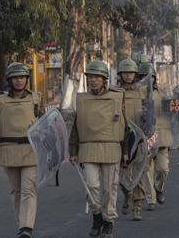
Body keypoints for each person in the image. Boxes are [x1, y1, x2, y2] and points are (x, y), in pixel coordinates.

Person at [0, 63, 45, 238]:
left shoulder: (36, 98)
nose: (19, 81)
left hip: (30, 150)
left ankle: (27, 227)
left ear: (27, 79)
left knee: (29, 189)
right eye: (15, 78)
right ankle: (22, 224)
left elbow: (45, 124)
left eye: (22, 77)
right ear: (10, 80)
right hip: (8, 150)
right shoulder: (0, 101)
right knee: (16, 191)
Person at [69, 60, 126, 238]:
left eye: (97, 77)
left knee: (110, 188)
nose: (93, 80)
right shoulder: (82, 99)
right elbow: (76, 127)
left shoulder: (117, 97)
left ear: (104, 79)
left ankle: (109, 221)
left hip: (111, 147)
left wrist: (126, 151)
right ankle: (96, 217)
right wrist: (73, 151)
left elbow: (124, 125)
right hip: (88, 148)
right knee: (91, 185)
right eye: (90, 77)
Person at [138, 63, 173, 208]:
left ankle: (159, 188)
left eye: (150, 77)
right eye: (144, 77)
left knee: (163, 169)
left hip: (162, 135)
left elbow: (172, 111)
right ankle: (150, 199)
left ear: (154, 78)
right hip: (144, 136)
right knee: (146, 170)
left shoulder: (163, 93)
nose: (148, 80)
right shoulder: (136, 95)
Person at [117, 58, 149, 221]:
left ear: (135, 74)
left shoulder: (142, 92)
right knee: (122, 175)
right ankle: (127, 194)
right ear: (120, 74)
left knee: (139, 173)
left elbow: (149, 115)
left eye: (131, 73)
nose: (128, 76)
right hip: (121, 140)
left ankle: (137, 206)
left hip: (139, 138)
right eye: (125, 73)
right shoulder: (114, 92)